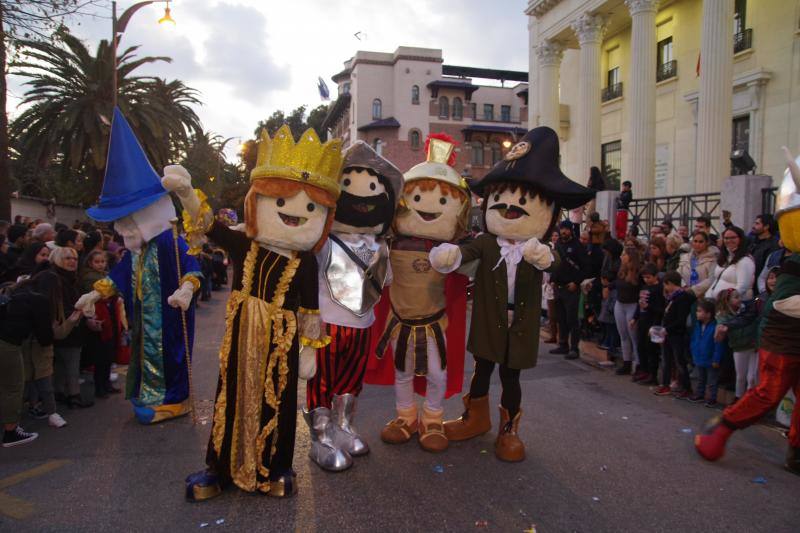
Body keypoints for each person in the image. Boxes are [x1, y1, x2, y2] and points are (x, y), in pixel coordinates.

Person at [171, 125, 340, 500]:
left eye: (310, 208)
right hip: (242, 334)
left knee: (278, 401)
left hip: (281, 340)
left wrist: (309, 351)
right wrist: (186, 194)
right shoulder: (243, 243)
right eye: (281, 201)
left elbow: (310, 307)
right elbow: (208, 226)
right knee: (229, 395)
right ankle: (219, 467)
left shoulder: (306, 261)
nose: (295, 214)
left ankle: (275, 468)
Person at [430, 126, 593, 462]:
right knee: (482, 369)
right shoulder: (488, 243)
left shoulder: (537, 248)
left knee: (510, 376)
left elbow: (556, 264)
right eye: (500, 199)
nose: (509, 207)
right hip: (489, 320)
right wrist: (451, 255)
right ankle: (475, 417)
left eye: (522, 201)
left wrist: (544, 257)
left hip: (519, 324)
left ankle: (509, 429)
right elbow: (467, 252)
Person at [695, 148, 800, 474]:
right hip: (783, 339)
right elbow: (785, 303)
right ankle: (722, 426)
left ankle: (797, 451)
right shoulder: (794, 262)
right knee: (769, 392)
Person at [304, 140, 402, 471]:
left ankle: (343, 426)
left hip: (363, 323)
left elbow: (384, 282)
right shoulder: (322, 242)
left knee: (351, 378)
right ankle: (321, 436)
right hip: (327, 324)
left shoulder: (380, 245)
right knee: (321, 379)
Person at [0, 277, 56, 446]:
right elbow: (45, 336)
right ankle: (11, 432)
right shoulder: (39, 299)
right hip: (8, 343)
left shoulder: (12, 294)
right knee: (12, 387)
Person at [37, 246, 91, 409]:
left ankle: (60, 392)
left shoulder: (68, 278)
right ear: (57, 259)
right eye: (67, 258)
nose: (72, 261)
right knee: (71, 362)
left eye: (75, 258)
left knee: (62, 363)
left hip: (66, 325)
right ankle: (74, 395)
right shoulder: (55, 279)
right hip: (65, 325)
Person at [79, 250, 119, 399]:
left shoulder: (104, 275)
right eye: (97, 262)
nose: (101, 264)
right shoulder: (90, 278)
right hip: (98, 315)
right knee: (101, 355)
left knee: (108, 354)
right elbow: (102, 294)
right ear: (90, 263)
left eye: (103, 261)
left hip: (108, 314)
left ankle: (106, 384)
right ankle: (100, 387)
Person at [550, 220, 589, 360]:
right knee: (561, 318)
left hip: (571, 287)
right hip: (558, 286)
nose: (563, 232)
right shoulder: (558, 245)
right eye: (562, 229)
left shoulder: (578, 246)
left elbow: (585, 267)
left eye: (566, 229)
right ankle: (563, 344)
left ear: (571, 230)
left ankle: (574, 348)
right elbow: (554, 263)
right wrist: (553, 279)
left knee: (572, 319)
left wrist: (576, 282)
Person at [654, 271, 695, 398]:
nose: (665, 288)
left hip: (677, 334)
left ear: (671, 284)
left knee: (679, 361)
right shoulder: (672, 297)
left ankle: (686, 387)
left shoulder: (682, 298)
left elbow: (680, 320)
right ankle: (665, 384)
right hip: (668, 333)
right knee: (666, 360)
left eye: (666, 285)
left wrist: (667, 329)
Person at [715, 289, 759, 402]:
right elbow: (719, 333)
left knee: (752, 377)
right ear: (727, 301)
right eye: (736, 297)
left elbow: (755, 319)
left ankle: (749, 400)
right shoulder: (723, 315)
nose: (739, 299)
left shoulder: (748, 308)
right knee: (740, 376)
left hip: (754, 346)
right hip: (739, 347)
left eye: (739, 296)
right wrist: (720, 331)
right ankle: (738, 398)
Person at [631, 263, 664, 384]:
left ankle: (652, 374)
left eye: (649, 277)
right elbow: (639, 304)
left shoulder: (659, 289)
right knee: (641, 347)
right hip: (643, 321)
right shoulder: (644, 287)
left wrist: (648, 307)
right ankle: (644, 370)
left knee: (651, 349)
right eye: (644, 277)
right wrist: (635, 318)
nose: (646, 280)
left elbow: (660, 309)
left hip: (653, 322)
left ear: (656, 276)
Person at [705, 226, 756, 301]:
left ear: (741, 239)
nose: (729, 240)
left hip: (733, 304)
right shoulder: (725, 257)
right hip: (717, 302)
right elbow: (717, 280)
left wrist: (728, 300)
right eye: (726, 238)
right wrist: (708, 296)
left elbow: (742, 287)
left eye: (733, 238)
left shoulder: (745, 260)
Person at [689, 299, 723, 406]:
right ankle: (700, 394)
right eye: (697, 311)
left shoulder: (715, 327)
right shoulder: (698, 326)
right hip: (699, 356)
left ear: (708, 314)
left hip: (710, 358)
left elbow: (718, 344)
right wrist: (693, 351)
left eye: (700, 311)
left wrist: (716, 359)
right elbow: (694, 339)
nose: (697, 313)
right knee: (701, 378)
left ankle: (712, 398)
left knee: (712, 380)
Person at [613, 246, 641, 375]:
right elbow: (616, 284)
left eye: (624, 255)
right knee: (623, 335)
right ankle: (626, 362)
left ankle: (638, 364)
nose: (621, 257)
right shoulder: (621, 271)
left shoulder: (638, 273)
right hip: (620, 304)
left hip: (632, 304)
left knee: (634, 336)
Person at [677, 230, 718, 298]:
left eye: (701, 242)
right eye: (695, 241)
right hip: (683, 292)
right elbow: (678, 273)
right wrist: (684, 286)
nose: (697, 244)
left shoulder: (713, 259)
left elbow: (711, 279)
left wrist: (693, 290)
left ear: (707, 243)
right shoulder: (685, 257)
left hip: (702, 296)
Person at [748, 214, 780, 284]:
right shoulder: (752, 241)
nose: (753, 226)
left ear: (766, 227)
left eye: (757, 224)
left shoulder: (774, 245)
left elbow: (768, 269)